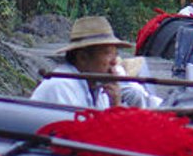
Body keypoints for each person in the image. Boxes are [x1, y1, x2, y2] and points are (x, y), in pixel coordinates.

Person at [31, 17, 161, 110]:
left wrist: (115, 105)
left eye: (116, 54)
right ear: (82, 58)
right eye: (107, 53)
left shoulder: (99, 87)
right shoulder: (61, 86)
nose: (115, 61)